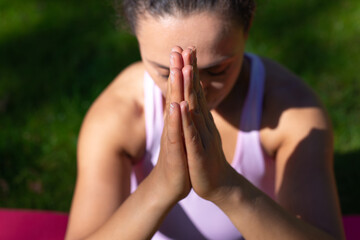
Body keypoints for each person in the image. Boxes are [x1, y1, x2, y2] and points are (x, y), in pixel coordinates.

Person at [65, 0, 345, 239]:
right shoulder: (121, 114)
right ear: (136, 37)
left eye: (218, 70)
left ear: (247, 27)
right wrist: (160, 187)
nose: (194, 88)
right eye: (167, 73)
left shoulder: (289, 111)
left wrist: (226, 186)